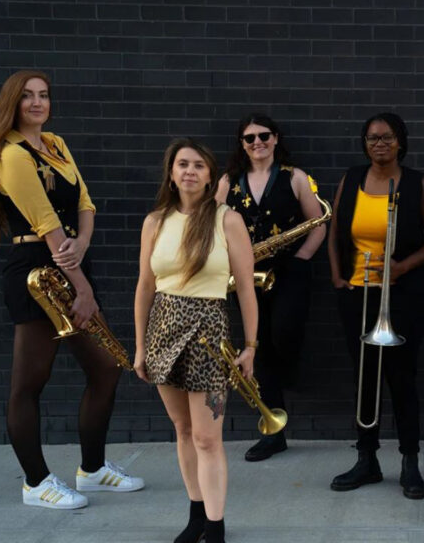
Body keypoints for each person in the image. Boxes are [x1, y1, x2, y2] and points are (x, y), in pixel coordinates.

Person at [0, 69, 144, 510]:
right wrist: (81, 286)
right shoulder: (11, 154)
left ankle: (93, 470)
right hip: (36, 271)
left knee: (106, 368)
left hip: (70, 261)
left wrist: (82, 244)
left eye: (43, 95)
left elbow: (84, 202)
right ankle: (35, 483)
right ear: (12, 103)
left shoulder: (56, 144)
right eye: (27, 96)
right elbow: (46, 222)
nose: (37, 103)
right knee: (30, 382)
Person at [133, 138, 258, 543]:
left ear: (209, 176)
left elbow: (246, 289)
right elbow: (145, 286)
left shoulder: (227, 220)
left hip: (209, 335)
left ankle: (216, 526)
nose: (190, 171)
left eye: (199, 165)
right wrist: (140, 347)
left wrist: (250, 346)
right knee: (183, 430)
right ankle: (197, 516)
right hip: (162, 332)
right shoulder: (155, 222)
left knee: (207, 437)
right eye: (183, 164)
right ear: (171, 173)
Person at [326, 112, 424, 500]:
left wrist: (403, 267)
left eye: (387, 137)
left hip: (403, 296)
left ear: (400, 142)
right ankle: (367, 460)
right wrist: (337, 276)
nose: (379, 144)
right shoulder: (351, 179)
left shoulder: (417, 184)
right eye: (372, 138)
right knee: (365, 381)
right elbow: (335, 230)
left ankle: (410, 462)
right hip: (357, 294)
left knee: (402, 378)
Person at [215, 113, 326, 462]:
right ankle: (273, 432)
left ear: (276, 138)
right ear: (242, 144)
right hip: (245, 275)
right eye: (249, 138)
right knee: (258, 347)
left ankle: (288, 372)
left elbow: (318, 223)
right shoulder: (228, 181)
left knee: (283, 332)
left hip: (289, 271)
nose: (257, 143)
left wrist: (302, 258)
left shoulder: (295, 177)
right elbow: (213, 225)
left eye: (264, 136)